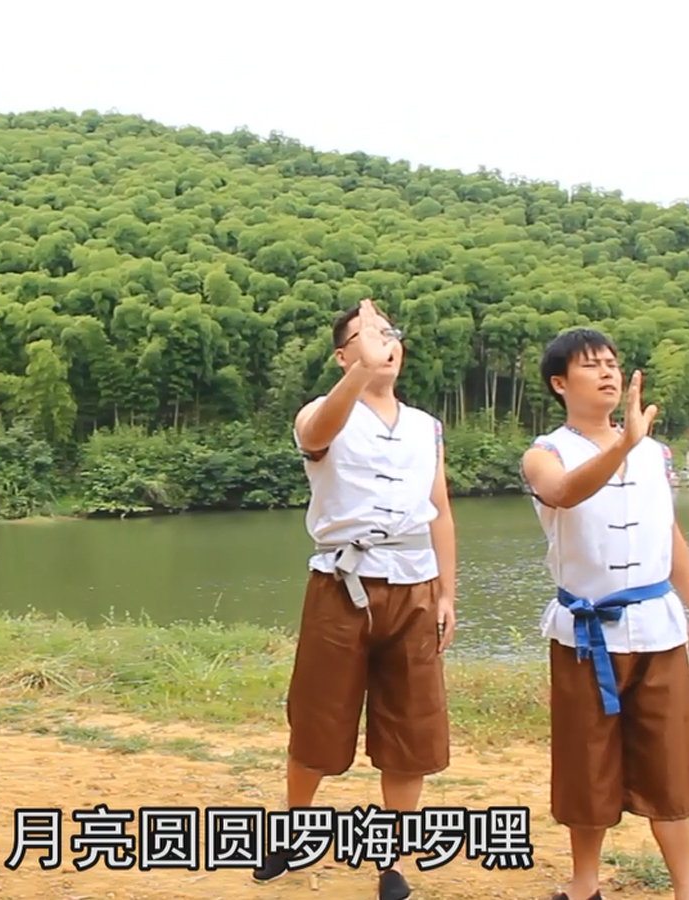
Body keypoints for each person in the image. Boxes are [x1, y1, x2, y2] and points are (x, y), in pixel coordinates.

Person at [254, 299, 456, 900]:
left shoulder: (425, 426)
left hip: (414, 585)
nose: (381, 342)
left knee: (410, 729)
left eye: (388, 333)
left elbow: (440, 510)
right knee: (318, 718)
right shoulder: (322, 411)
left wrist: (447, 591)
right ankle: (293, 832)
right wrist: (361, 373)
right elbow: (316, 436)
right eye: (366, 336)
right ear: (343, 356)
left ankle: (393, 860)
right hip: (342, 586)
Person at [518, 328, 689, 900]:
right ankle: (585, 884)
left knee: (670, 763)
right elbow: (563, 492)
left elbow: (667, 532)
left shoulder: (654, 451)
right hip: (585, 636)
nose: (607, 373)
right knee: (587, 763)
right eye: (591, 365)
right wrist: (624, 444)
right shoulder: (546, 453)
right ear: (560, 384)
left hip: (657, 628)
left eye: (612, 363)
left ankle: (686, 891)